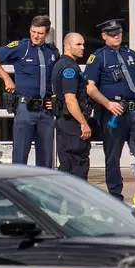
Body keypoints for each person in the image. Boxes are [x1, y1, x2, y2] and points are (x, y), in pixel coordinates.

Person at [0, 15, 59, 168]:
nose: (35, 36)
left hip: (46, 110)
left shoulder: (52, 52)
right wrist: (6, 78)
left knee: (46, 159)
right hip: (25, 108)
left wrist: (56, 98)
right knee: (20, 156)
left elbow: (56, 77)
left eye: (39, 33)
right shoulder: (21, 47)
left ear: (46, 34)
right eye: (33, 32)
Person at [85, 19, 135, 200]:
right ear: (104, 36)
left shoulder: (131, 54)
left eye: (118, 33)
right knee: (113, 156)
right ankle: (114, 195)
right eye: (112, 34)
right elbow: (90, 87)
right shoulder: (98, 57)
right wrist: (107, 104)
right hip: (113, 112)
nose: (116, 36)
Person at [51, 33, 92, 180]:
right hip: (72, 124)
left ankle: (61, 202)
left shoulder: (60, 64)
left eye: (83, 44)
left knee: (65, 168)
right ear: (67, 46)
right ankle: (78, 203)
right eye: (78, 44)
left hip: (64, 122)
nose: (83, 48)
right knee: (78, 166)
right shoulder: (69, 68)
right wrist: (83, 123)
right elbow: (70, 99)